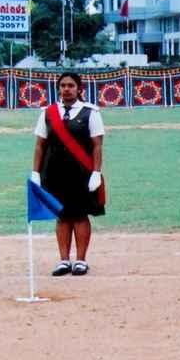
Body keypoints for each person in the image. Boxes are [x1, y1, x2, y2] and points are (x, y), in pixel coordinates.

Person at [31, 72, 105, 276]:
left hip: (82, 172)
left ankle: (81, 261)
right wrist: (35, 172)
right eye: (63, 85)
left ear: (79, 88)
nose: (66, 89)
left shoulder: (91, 113)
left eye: (71, 85)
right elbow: (39, 145)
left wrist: (96, 172)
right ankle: (64, 260)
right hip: (54, 172)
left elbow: (97, 145)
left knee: (80, 215)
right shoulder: (48, 113)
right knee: (62, 216)